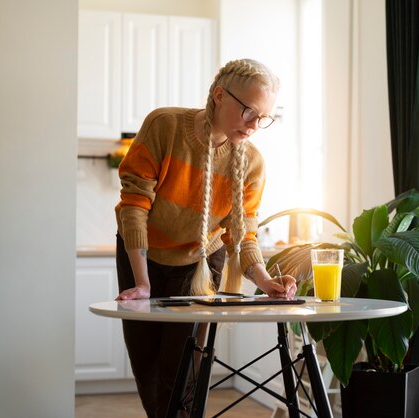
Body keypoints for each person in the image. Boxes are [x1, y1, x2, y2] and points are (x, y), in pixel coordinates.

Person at [114, 58, 298, 418]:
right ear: (219, 96)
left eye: (264, 117)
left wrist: (264, 280)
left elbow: (241, 233)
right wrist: (142, 282)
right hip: (142, 256)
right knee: (146, 368)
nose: (255, 125)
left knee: (183, 370)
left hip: (199, 264)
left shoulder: (252, 163)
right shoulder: (164, 126)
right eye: (248, 112)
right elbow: (133, 205)